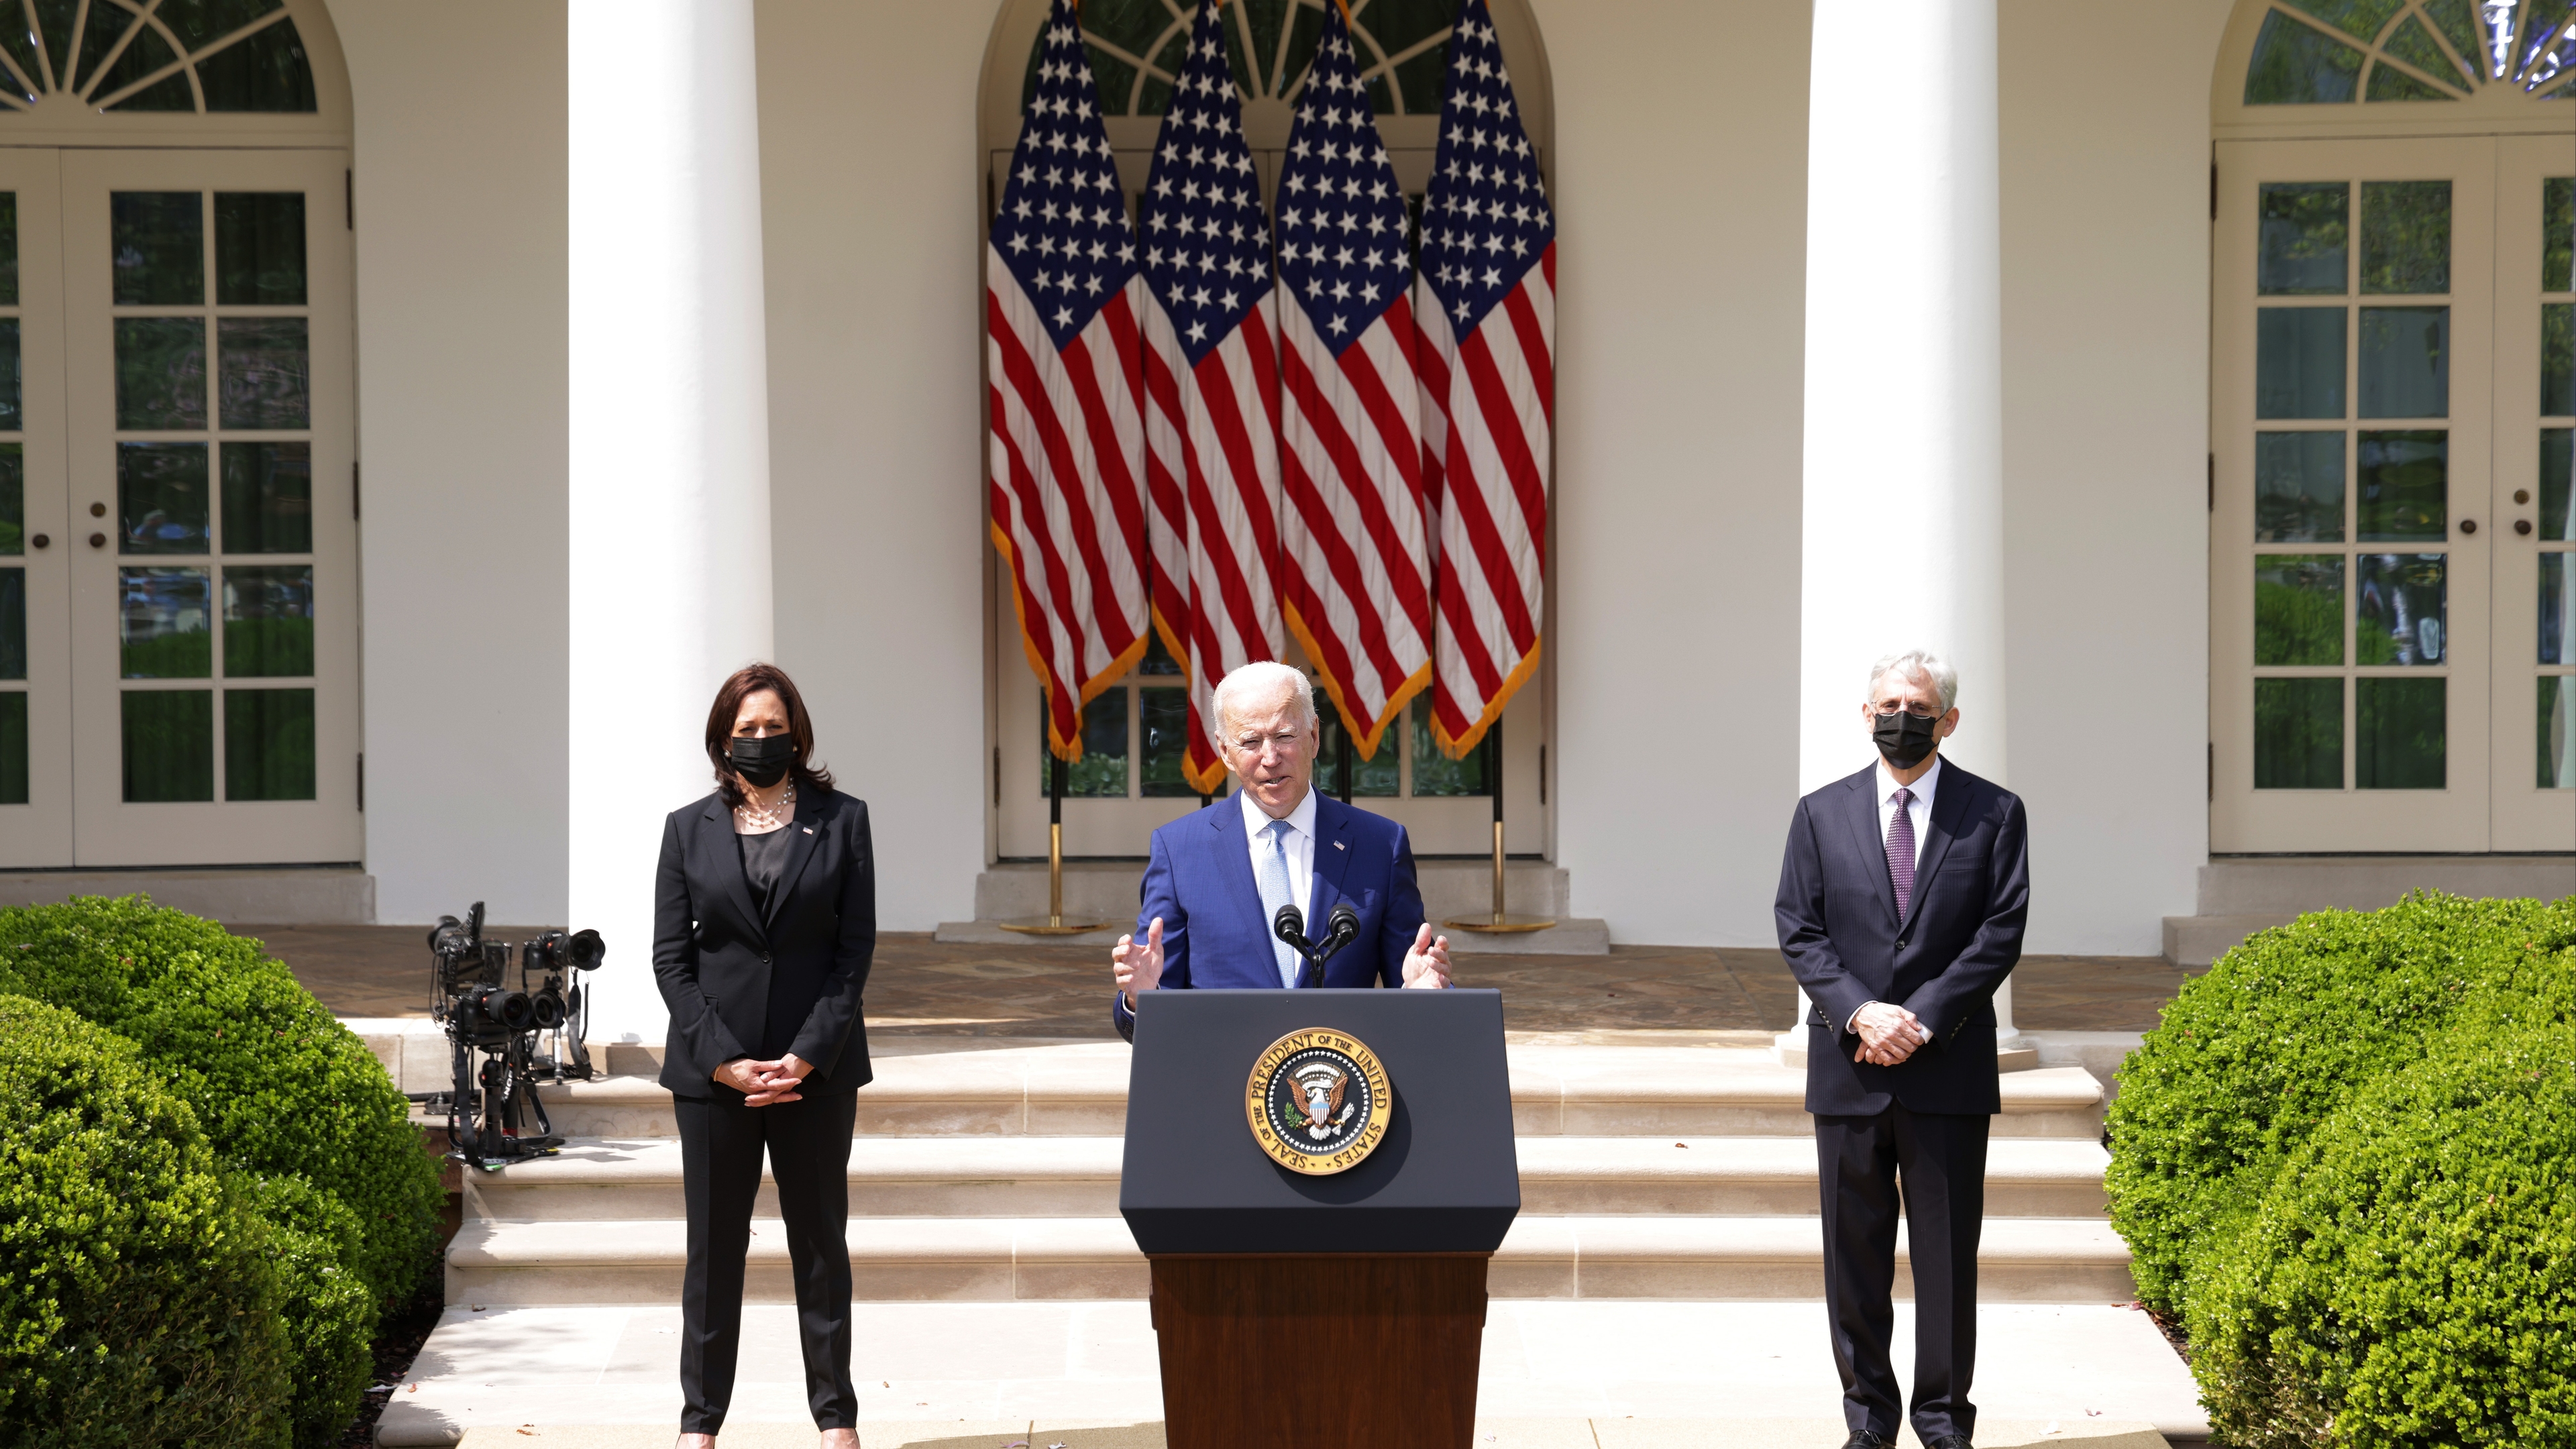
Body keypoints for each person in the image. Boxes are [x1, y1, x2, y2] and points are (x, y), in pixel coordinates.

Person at [1774, 649, 2030, 1449]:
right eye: (1887, 705)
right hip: (1849, 1071)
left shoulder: (1995, 812)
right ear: (1865, 715)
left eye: (1918, 708)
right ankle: (1869, 1422)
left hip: (1946, 1068)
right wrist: (1861, 1014)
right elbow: (1799, 927)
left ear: (1948, 720)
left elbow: (2000, 932)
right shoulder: (1820, 813)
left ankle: (1946, 1424)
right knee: (1854, 1263)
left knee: (1949, 1264)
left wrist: (1916, 1018)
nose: (1901, 719)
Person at [652, 663, 873, 1449]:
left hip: (817, 1073)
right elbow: (671, 962)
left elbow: (853, 954)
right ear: (722, 739)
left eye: (771, 726)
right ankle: (700, 1424)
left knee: (820, 1246)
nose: (759, 740)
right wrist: (723, 1060)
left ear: (797, 733)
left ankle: (836, 1420)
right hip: (716, 1081)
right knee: (714, 1252)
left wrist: (808, 1056)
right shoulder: (687, 829)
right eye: (745, 730)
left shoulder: (845, 821)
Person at [1110, 660, 1453, 1038]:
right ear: (1225, 752)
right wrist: (1142, 998)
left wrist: (1426, 995)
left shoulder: (1381, 845)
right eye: (1251, 742)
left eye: (1285, 736)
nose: (1270, 758)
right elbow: (1153, 1015)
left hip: (1344, 1082)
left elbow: (1413, 982)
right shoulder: (1179, 851)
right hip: (1224, 1085)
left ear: (1314, 736)